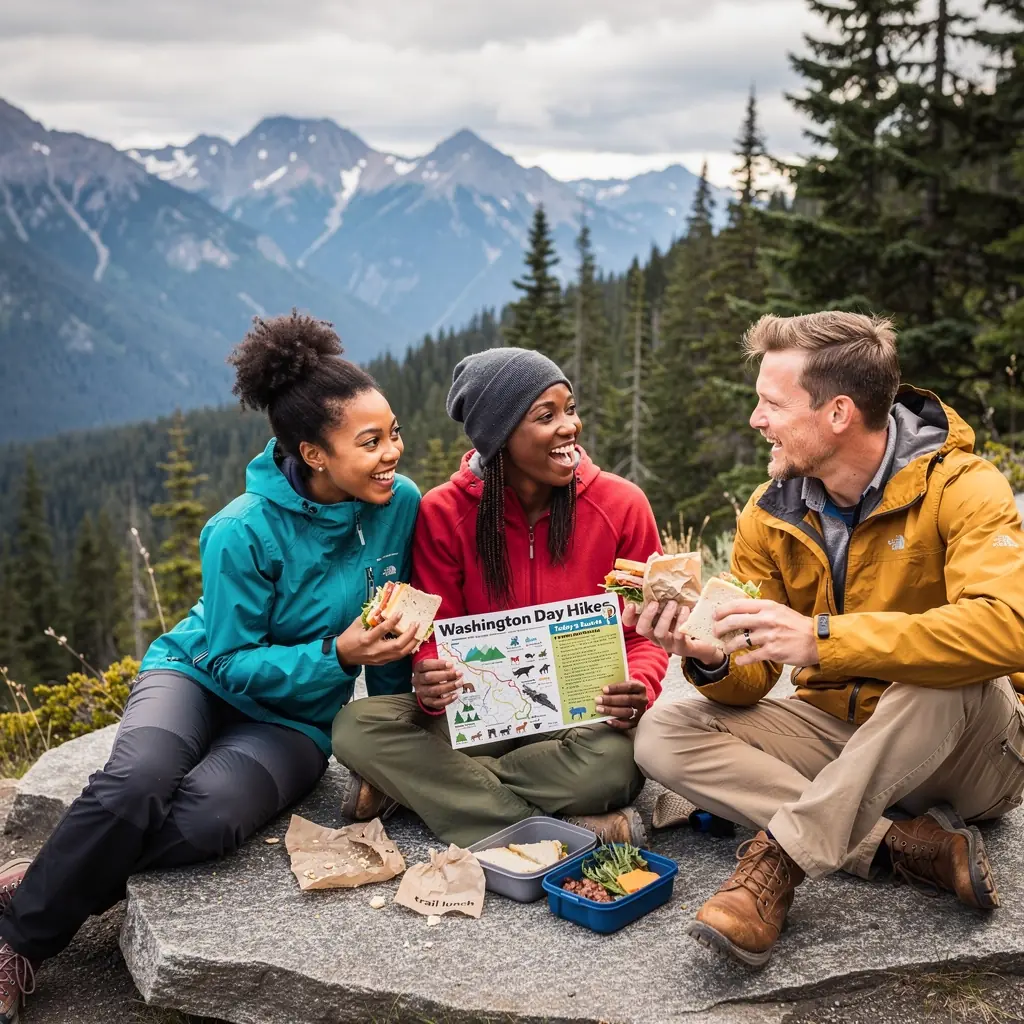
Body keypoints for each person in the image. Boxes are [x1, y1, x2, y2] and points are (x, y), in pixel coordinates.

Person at [0, 313, 422, 1022]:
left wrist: (386, 747)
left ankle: (45, 875)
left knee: (209, 821)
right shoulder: (240, 528)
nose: (393, 455)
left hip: (293, 720)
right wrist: (335, 654)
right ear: (314, 454)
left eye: (395, 434)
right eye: (370, 442)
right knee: (136, 783)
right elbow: (229, 662)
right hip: (198, 677)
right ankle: (19, 937)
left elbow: (389, 632)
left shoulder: (396, 506)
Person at [630, 311, 1024, 967]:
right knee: (662, 736)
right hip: (839, 737)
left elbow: (1009, 628)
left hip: (969, 755)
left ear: (839, 413)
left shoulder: (964, 487)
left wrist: (822, 640)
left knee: (945, 674)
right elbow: (751, 674)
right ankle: (898, 845)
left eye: (771, 404)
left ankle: (779, 862)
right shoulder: (769, 510)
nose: (757, 420)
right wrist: (710, 656)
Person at [333, 347, 670, 847]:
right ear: (500, 437)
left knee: (615, 768)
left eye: (570, 409)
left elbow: (646, 632)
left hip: (579, 723)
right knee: (355, 727)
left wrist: (639, 686)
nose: (569, 427)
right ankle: (574, 829)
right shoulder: (443, 512)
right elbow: (432, 631)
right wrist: (428, 675)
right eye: (546, 415)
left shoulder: (622, 505)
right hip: (475, 716)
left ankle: (419, 789)